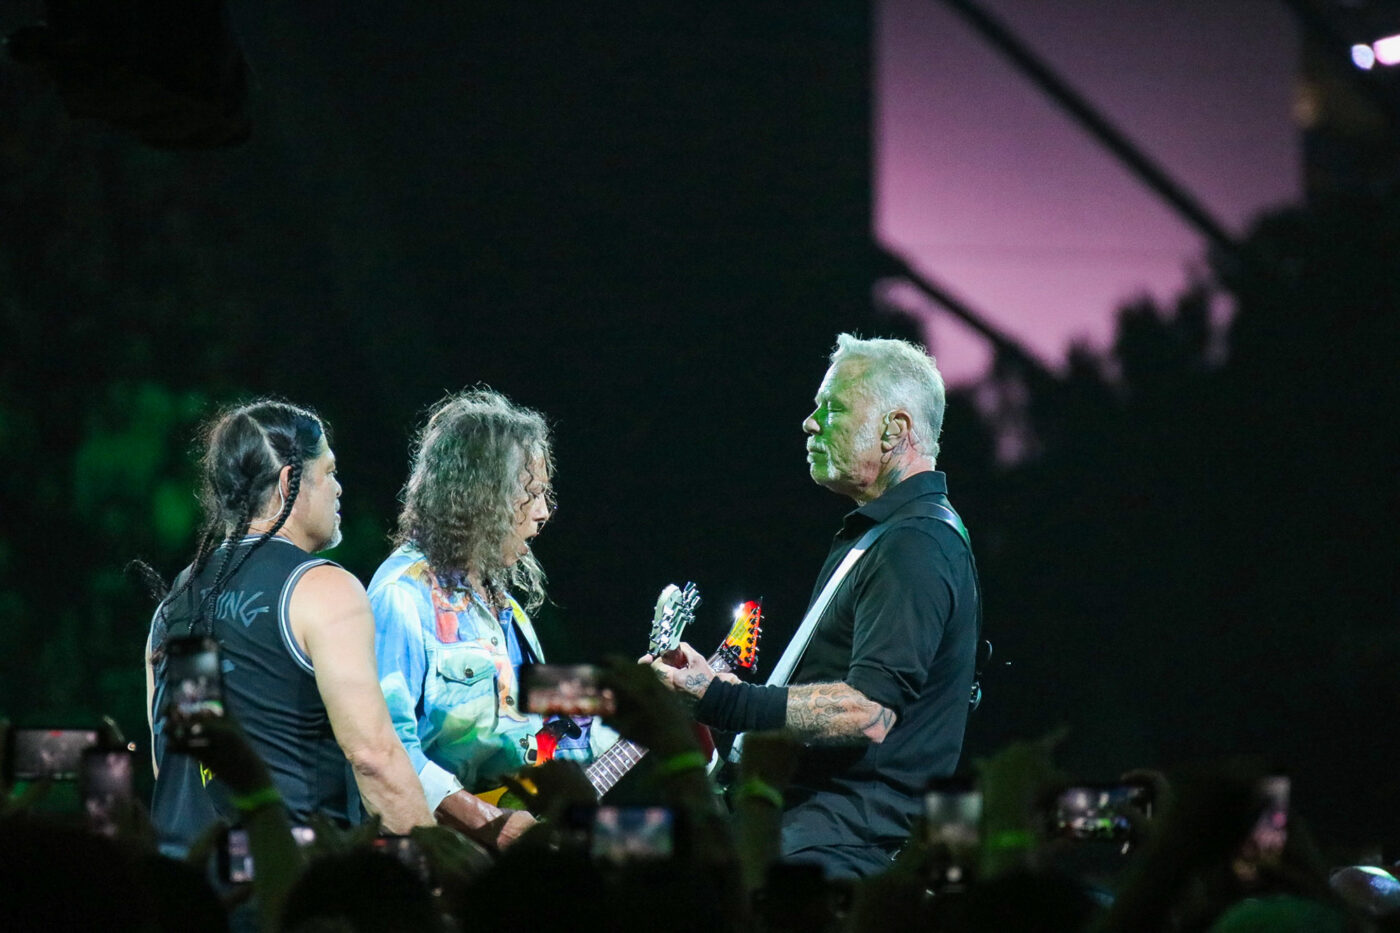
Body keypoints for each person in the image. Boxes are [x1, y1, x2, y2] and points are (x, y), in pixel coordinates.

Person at [648, 334, 980, 879]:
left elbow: (867, 712)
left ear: (894, 430)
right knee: (596, 846)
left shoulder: (915, 544)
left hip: (832, 845)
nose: (810, 423)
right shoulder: (887, 534)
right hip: (802, 826)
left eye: (833, 409)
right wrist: (718, 689)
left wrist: (717, 699)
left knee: (593, 861)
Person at [142, 400, 435, 859]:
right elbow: (373, 757)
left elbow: (171, 764)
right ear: (288, 482)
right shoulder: (323, 589)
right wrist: (436, 860)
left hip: (183, 879)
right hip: (287, 877)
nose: (339, 488)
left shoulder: (174, 602)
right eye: (329, 472)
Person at [368, 388, 613, 851]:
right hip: (441, 861)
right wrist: (490, 825)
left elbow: (548, 736)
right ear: (482, 496)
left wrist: (635, 697)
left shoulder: (508, 611)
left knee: (658, 838)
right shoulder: (402, 596)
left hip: (511, 843)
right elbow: (386, 751)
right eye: (531, 494)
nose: (543, 513)